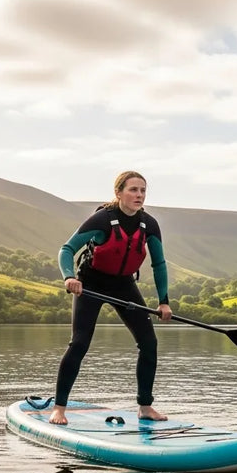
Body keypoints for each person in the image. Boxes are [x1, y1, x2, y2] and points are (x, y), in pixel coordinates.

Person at [49, 171, 172, 425]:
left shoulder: (149, 224)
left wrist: (164, 301)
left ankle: (145, 407)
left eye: (142, 191)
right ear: (118, 193)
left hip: (123, 284)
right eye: (133, 190)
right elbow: (67, 249)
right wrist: (69, 278)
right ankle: (59, 408)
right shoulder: (103, 219)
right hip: (91, 282)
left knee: (149, 342)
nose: (139, 195)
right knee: (80, 343)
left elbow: (159, 264)